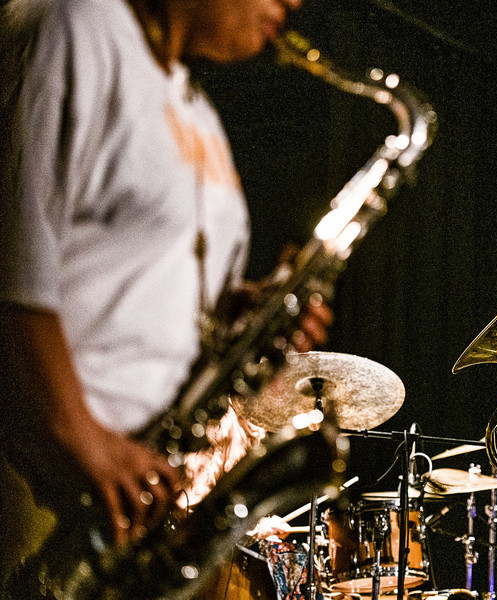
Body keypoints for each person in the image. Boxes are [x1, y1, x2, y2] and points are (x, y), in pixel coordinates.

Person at [0, 0, 332, 594]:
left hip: (134, 495)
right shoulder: (80, 24)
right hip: (44, 481)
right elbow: (15, 256)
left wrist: (247, 319)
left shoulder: (195, 108)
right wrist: (84, 439)